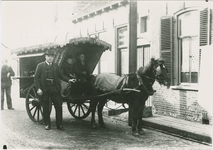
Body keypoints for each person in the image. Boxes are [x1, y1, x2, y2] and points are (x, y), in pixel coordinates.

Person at [34, 49, 76, 130]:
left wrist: (68, 80)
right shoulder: (40, 66)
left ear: (53, 58)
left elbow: (61, 75)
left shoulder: (55, 66)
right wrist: (38, 89)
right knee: (46, 107)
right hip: (45, 89)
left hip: (54, 88)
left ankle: (59, 125)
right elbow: (36, 78)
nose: (50, 58)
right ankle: (47, 124)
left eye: (51, 56)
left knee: (59, 106)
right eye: (48, 56)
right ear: (45, 57)